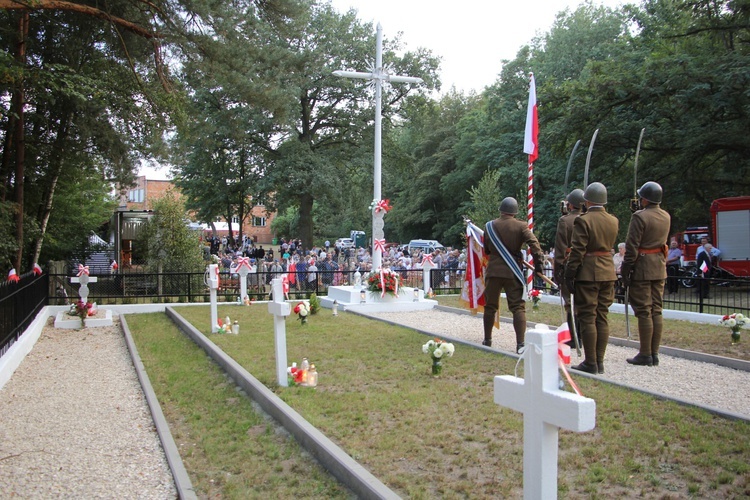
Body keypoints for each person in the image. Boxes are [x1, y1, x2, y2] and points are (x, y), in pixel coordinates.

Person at [564, 182, 619, 375]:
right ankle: (599, 361)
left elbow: (578, 250)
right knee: (602, 316)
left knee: (588, 317)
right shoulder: (613, 220)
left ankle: (590, 361)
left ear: (587, 200)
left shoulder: (583, 220)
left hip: (588, 273)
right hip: (608, 271)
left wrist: (570, 273)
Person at [482, 197, 545, 353]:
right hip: (512, 271)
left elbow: (487, 250)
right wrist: (539, 266)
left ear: (501, 210)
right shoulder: (521, 226)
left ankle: (487, 340)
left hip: (494, 271)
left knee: (490, 307)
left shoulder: (489, 226)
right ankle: (520, 344)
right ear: (515, 212)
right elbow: (534, 245)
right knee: (517, 308)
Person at [620, 181, 671, 367]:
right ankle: (654, 353)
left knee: (643, 310)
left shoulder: (639, 217)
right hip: (659, 266)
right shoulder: (666, 215)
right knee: (656, 309)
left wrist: (626, 269)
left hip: (642, 268)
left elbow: (632, 247)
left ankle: (645, 353)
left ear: (645, 199)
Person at [553, 188, 585, 345]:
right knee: (584, 302)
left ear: (570, 205)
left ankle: (573, 337)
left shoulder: (565, 221)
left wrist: (557, 268)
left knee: (570, 303)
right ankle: (582, 335)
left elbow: (560, 247)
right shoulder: (588, 218)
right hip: (586, 265)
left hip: (569, 263)